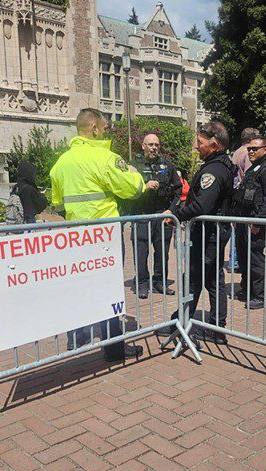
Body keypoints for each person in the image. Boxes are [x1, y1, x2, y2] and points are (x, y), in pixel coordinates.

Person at [50, 108, 159, 361]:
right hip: (103, 236)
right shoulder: (105, 157)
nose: (107, 131)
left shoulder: (61, 162)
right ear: (95, 129)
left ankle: (75, 338)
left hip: (75, 236)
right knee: (109, 290)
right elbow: (131, 189)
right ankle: (114, 348)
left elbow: (57, 202)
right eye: (105, 127)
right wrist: (134, 175)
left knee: (79, 286)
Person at [158, 121, 235, 344]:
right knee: (213, 280)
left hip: (207, 234)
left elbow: (202, 205)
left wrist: (177, 216)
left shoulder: (214, 170)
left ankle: (181, 322)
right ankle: (216, 328)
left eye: (200, 143)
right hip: (213, 233)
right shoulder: (222, 166)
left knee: (193, 278)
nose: (196, 146)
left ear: (214, 144)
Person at [231, 135, 266, 309]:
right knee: (244, 257)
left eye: (255, 148)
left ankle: (261, 296)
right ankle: (247, 289)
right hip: (244, 220)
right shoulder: (255, 168)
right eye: (249, 148)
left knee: (255, 258)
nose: (251, 151)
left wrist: (258, 222)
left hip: (255, 221)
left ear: (265, 149)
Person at [129, 133, 182, 298]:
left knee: (162, 252)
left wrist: (171, 210)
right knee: (141, 252)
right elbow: (126, 191)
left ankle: (160, 282)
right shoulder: (133, 165)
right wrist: (144, 186)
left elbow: (178, 190)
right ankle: (142, 284)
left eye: (156, 145)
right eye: (150, 144)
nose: (154, 148)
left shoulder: (167, 165)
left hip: (162, 215)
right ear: (143, 146)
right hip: (141, 215)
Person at [228, 128, 261, 271]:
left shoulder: (237, 152)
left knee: (236, 229)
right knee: (242, 230)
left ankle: (232, 260)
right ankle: (236, 261)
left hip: (235, 194)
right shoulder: (247, 153)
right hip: (244, 196)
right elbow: (250, 175)